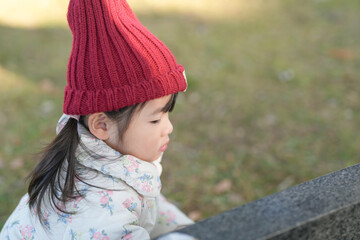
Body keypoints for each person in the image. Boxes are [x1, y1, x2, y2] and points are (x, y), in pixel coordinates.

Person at [0, 0, 193, 239]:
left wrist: (193, 230)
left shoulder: (109, 162)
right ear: (102, 125)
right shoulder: (97, 207)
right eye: (155, 120)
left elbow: (149, 202)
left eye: (167, 114)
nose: (168, 127)